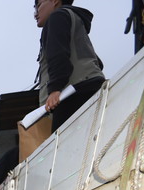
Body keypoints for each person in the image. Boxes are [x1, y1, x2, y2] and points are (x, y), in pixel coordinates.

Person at [35, 0, 105, 131]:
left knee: (63, 147)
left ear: (55, 1)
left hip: (70, 95)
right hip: (91, 86)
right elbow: (97, 62)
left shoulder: (57, 17)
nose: (35, 13)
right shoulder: (75, 20)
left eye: (38, 5)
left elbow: (58, 53)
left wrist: (55, 88)